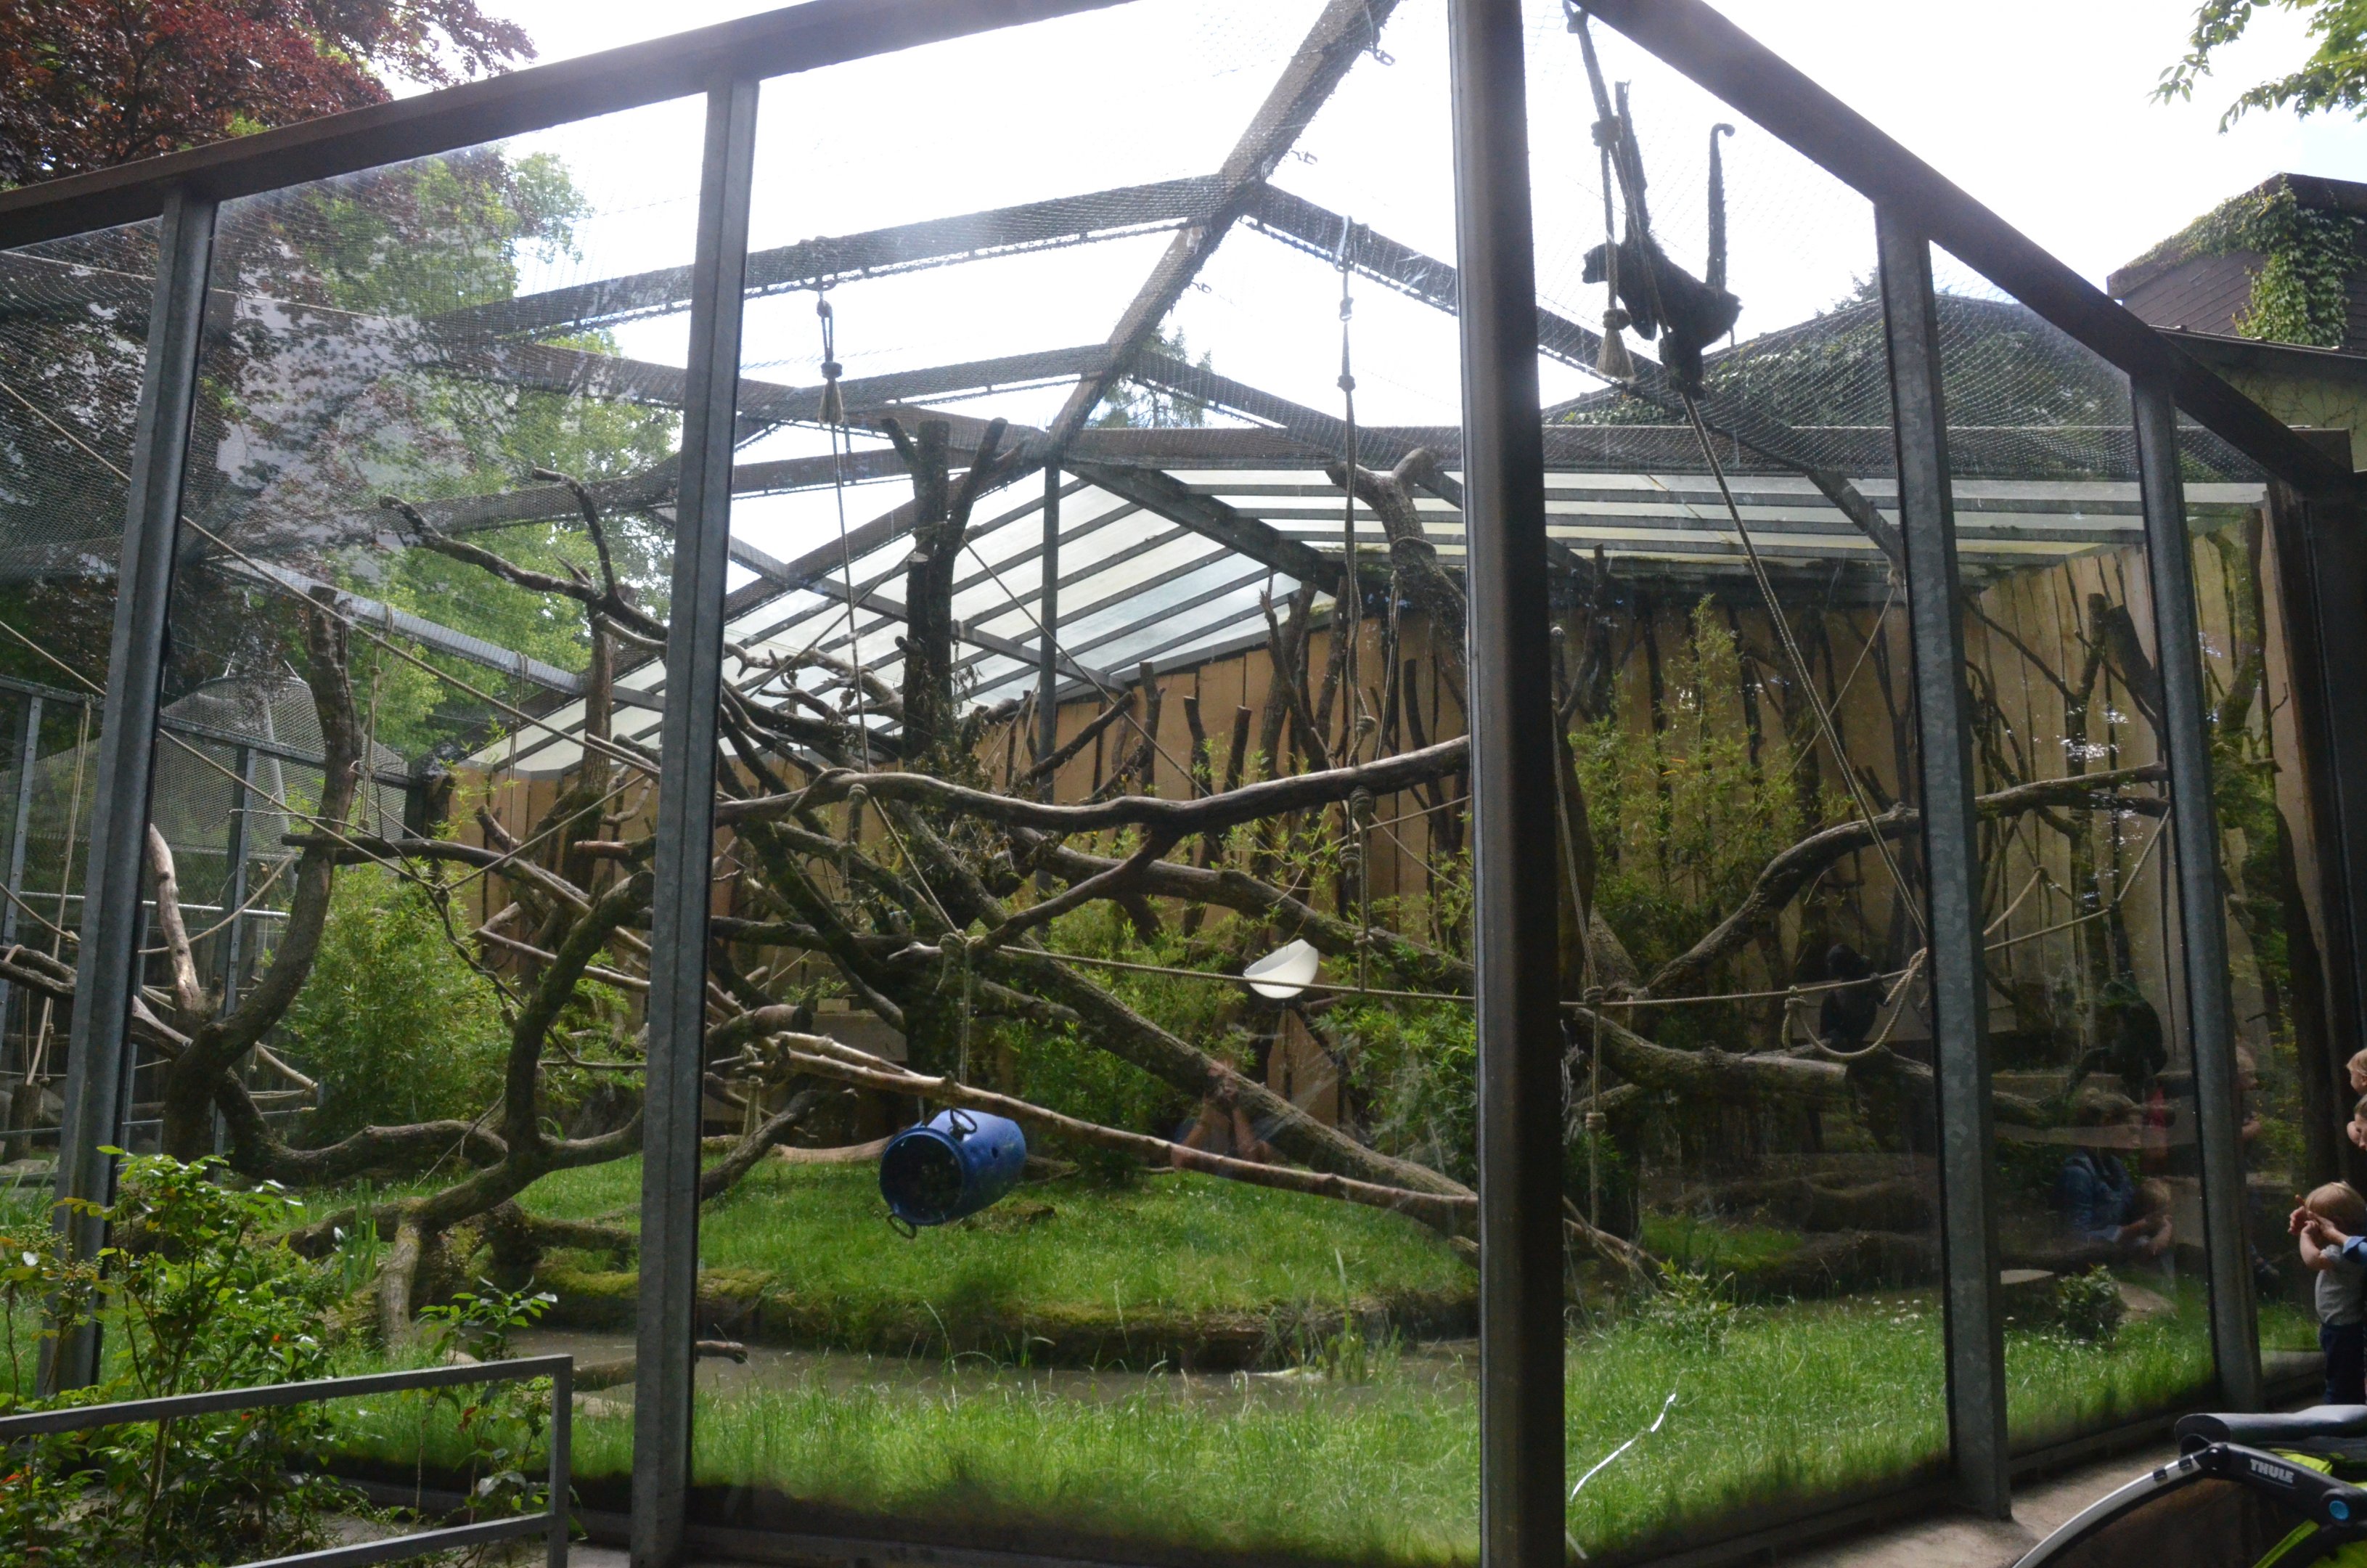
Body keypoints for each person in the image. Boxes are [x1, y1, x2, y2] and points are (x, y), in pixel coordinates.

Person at [2057, 1090, 2173, 1260]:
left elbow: (2133, 1216)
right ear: (2108, 1124)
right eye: (2132, 1131)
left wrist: (2158, 1210)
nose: (2138, 1141)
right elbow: (2076, 1241)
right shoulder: (2078, 1174)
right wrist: (2138, 1229)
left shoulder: (2116, 1167)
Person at [2289, 1181, 2367, 1405]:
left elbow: (2313, 1260)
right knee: (2346, 1372)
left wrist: (2305, 1236)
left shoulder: (2344, 1252)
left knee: (2341, 1378)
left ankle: (2338, 1410)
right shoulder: (2356, 1243)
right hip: (2342, 1325)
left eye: (2317, 1224)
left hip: (2343, 1327)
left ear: (2337, 1225)